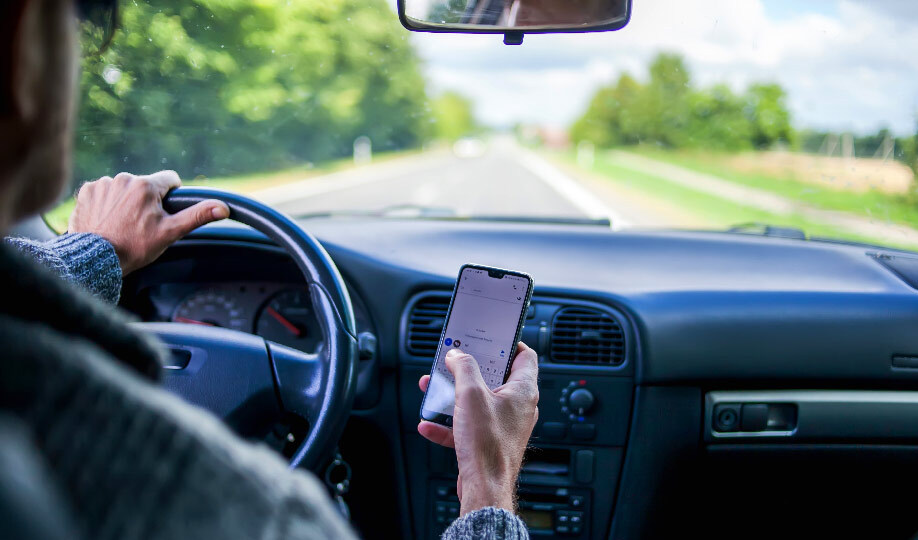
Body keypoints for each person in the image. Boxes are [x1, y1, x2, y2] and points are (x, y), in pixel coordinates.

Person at [0, 0, 540, 539]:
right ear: (24, 45)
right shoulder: (264, 517)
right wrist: (488, 486)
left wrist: (97, 251)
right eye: (77, 28)